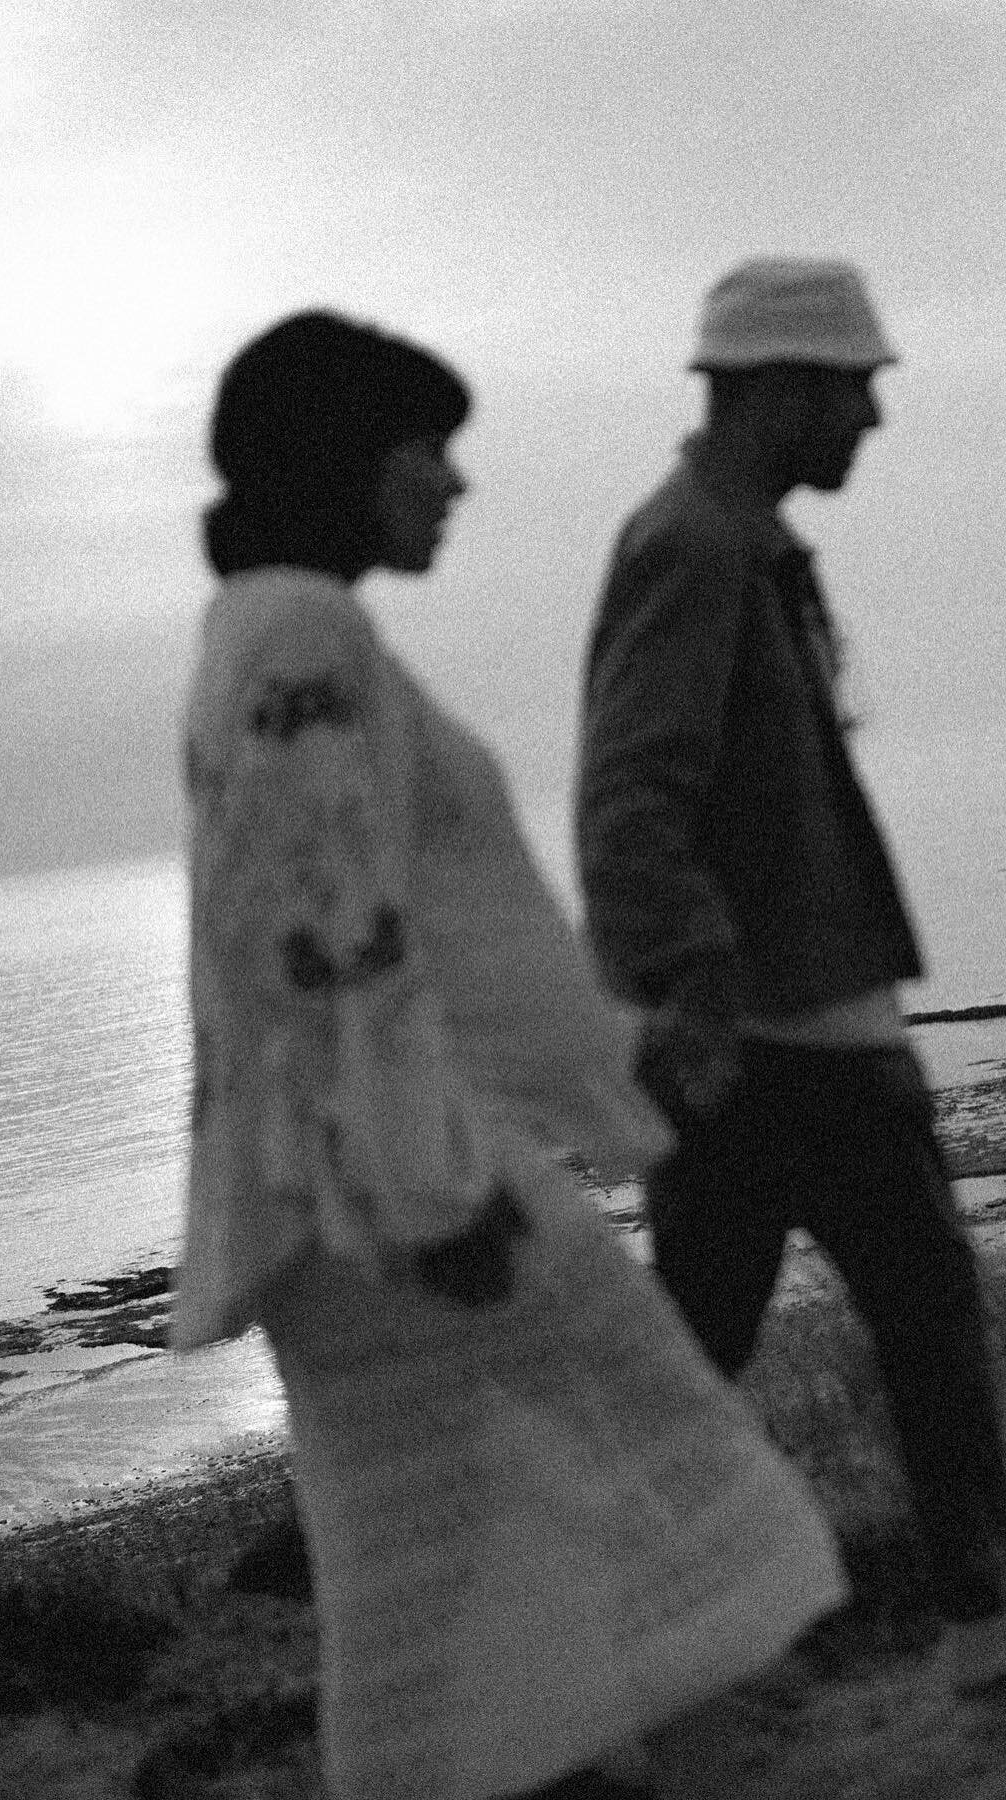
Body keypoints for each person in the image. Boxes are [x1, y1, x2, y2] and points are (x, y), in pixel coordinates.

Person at [175, 308, 846, 1800]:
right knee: (674, 1507)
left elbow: (372, 926)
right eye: (429, 449)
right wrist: (430, 1189)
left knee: (483, 1578)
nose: (454, 483)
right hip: (401, 1200)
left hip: (355, 1192)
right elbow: (323, 931)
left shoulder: (265, 630)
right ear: (347, 464)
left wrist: (611, 1049)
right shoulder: (300, 634)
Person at [575, 256, 1006, 1693]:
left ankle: (663, 1623)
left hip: (797, 1021)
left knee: (724, 1354)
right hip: (776, 1036)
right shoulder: (694, 545)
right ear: (782, 389)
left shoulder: (738, 538)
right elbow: (628, 800)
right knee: (896, 1321)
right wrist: (697, 996)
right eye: (860, 386)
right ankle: (962, 1597)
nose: (875, 417)